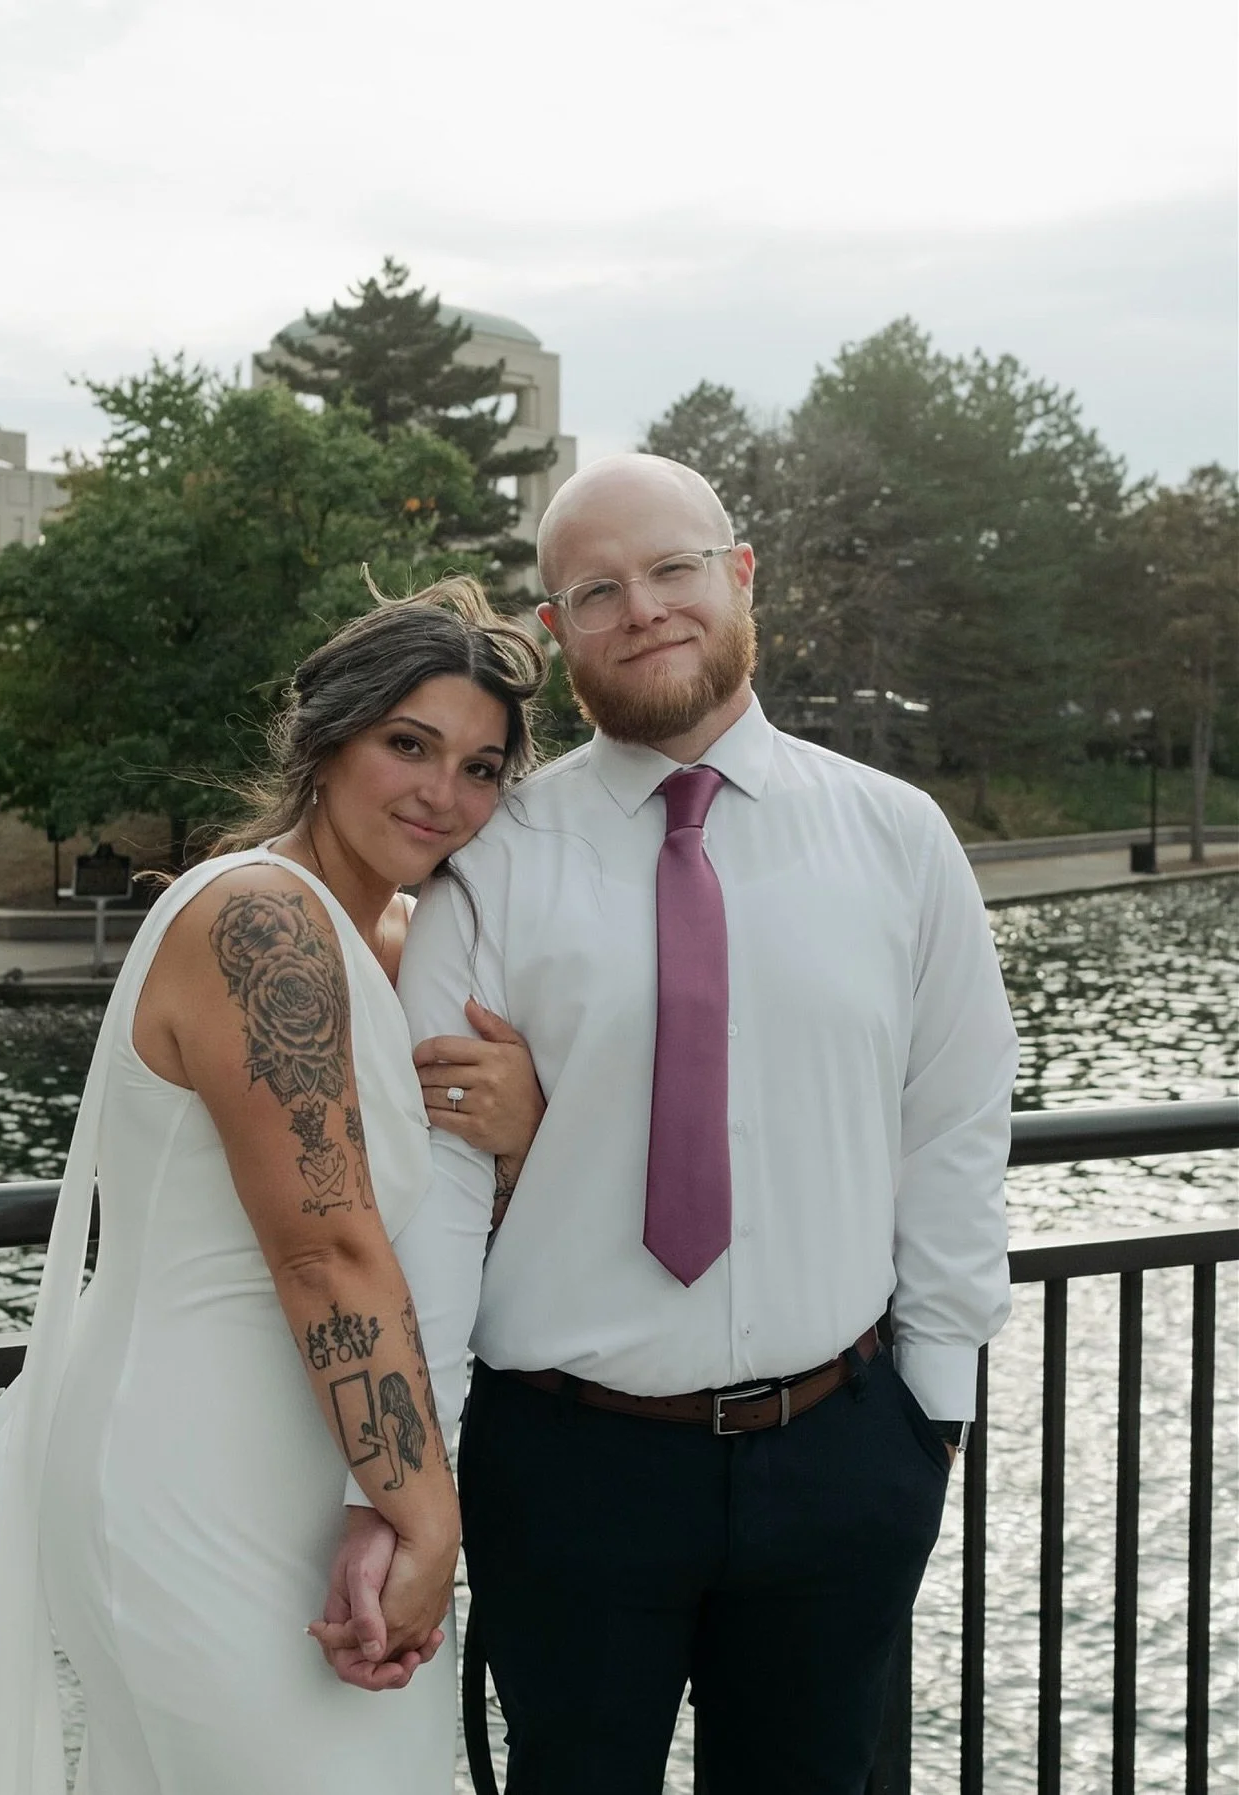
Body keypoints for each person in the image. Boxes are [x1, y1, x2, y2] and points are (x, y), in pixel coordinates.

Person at [337, 454, 1020, 1793]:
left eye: (672, 569)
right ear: (558, 630)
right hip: (565, 1469)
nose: (643, 608)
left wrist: (934, 1410)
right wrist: (411, 1481)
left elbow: (954, 1125)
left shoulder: (899, 838)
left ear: (741, 575)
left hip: (843, 1456)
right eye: (597, 590)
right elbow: (440, 1197)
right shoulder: (490, 866)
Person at [0, 577, 548, 1795]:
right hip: (196, 1461)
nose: (442, 793)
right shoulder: (258, 921)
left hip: (336, 1465)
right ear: (326, 739)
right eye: (408, 745)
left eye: (480, 768)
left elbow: (444, 1229)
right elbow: (324, 1251)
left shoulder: (406, 942)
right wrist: (427, 1515)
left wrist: (520, 1133)